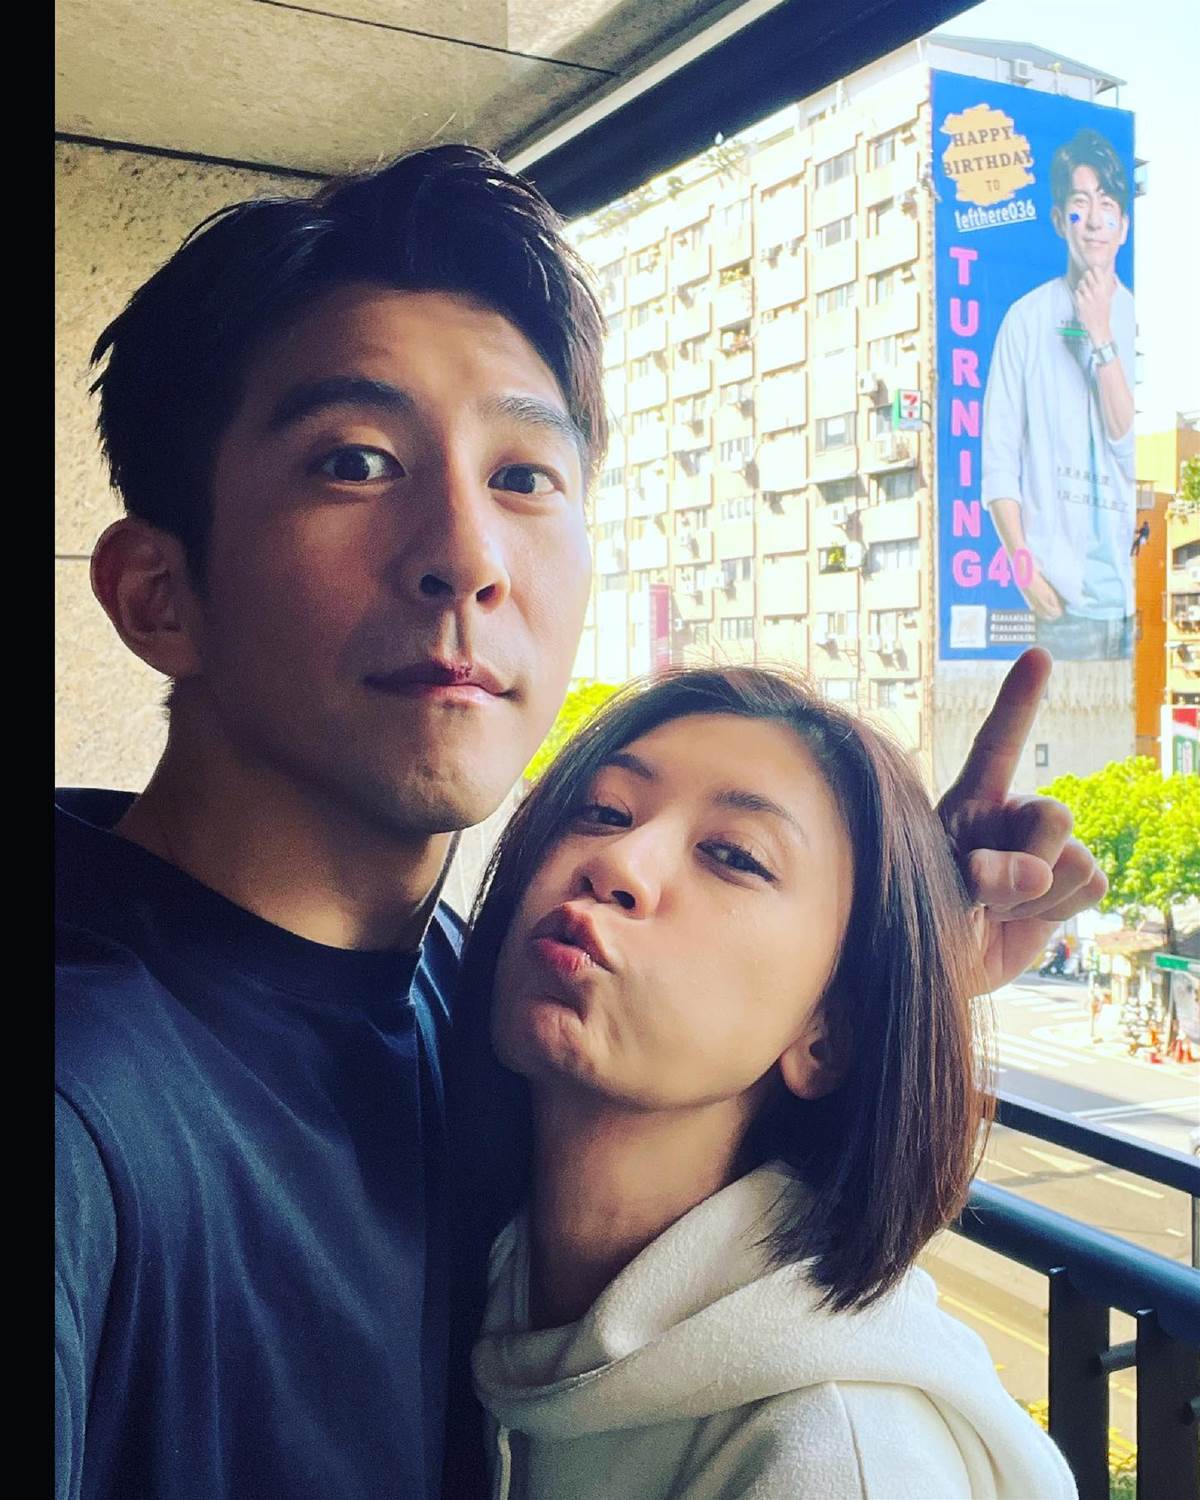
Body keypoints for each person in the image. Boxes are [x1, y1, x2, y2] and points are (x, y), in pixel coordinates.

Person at [56, 144, 1104, 1500]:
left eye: (526, 477)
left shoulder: (459, 1002)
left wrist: (884, 956)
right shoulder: (84, 1101)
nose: (468, 556)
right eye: (356, 462)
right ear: (158, 595)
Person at [463, 666, 1077, 1498]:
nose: (618, 861)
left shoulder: (838, 1460)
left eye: (734, 856)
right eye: (604, 812)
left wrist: (913, 956)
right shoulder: (479, 1255)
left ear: (828, 1038)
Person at [982, 127, 1135, 660]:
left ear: (1123, 226)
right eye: (1079, 203)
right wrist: (1024, 570)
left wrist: (1101, 334)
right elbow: (998, 458)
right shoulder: (1025, 319)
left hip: (1128, 600)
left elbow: (1125, 439)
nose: (1093, 219)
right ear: (1058, 219)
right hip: (1061, 603)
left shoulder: (1134, 317)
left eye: (1107, 204)